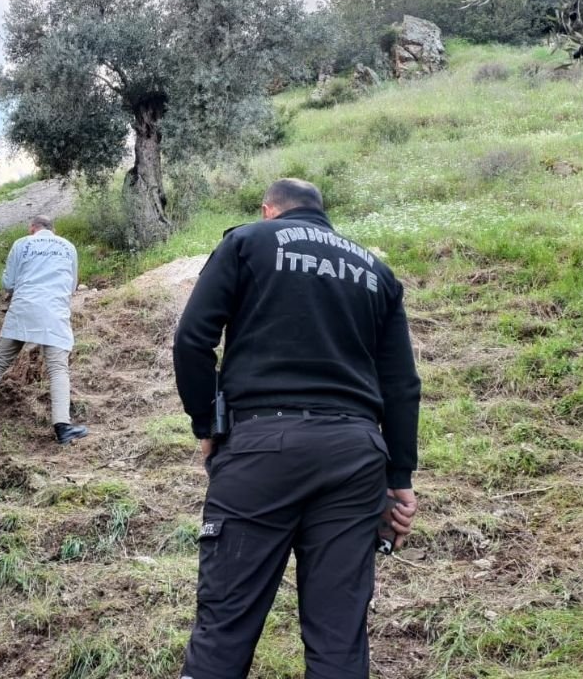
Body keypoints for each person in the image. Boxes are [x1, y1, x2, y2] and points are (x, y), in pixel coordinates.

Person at [173, 178, 421, 679]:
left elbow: (192, 340)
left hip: (261, 447)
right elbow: (401, 385)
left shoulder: (246, 241)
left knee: (225, 628)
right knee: (339, 638)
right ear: (321, 213)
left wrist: (208, 424)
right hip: (355, 457)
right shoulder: (376, 270)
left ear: (270, 211)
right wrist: (399, 479)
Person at [0, 215, 89, 445]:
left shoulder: (21, 244)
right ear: (53, 230)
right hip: (53, 314)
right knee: (58, 369)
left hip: (22, 310)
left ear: (32, 229)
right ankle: (63, 428)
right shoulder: (68, 247)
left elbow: (8, 283)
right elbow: (72, 285)